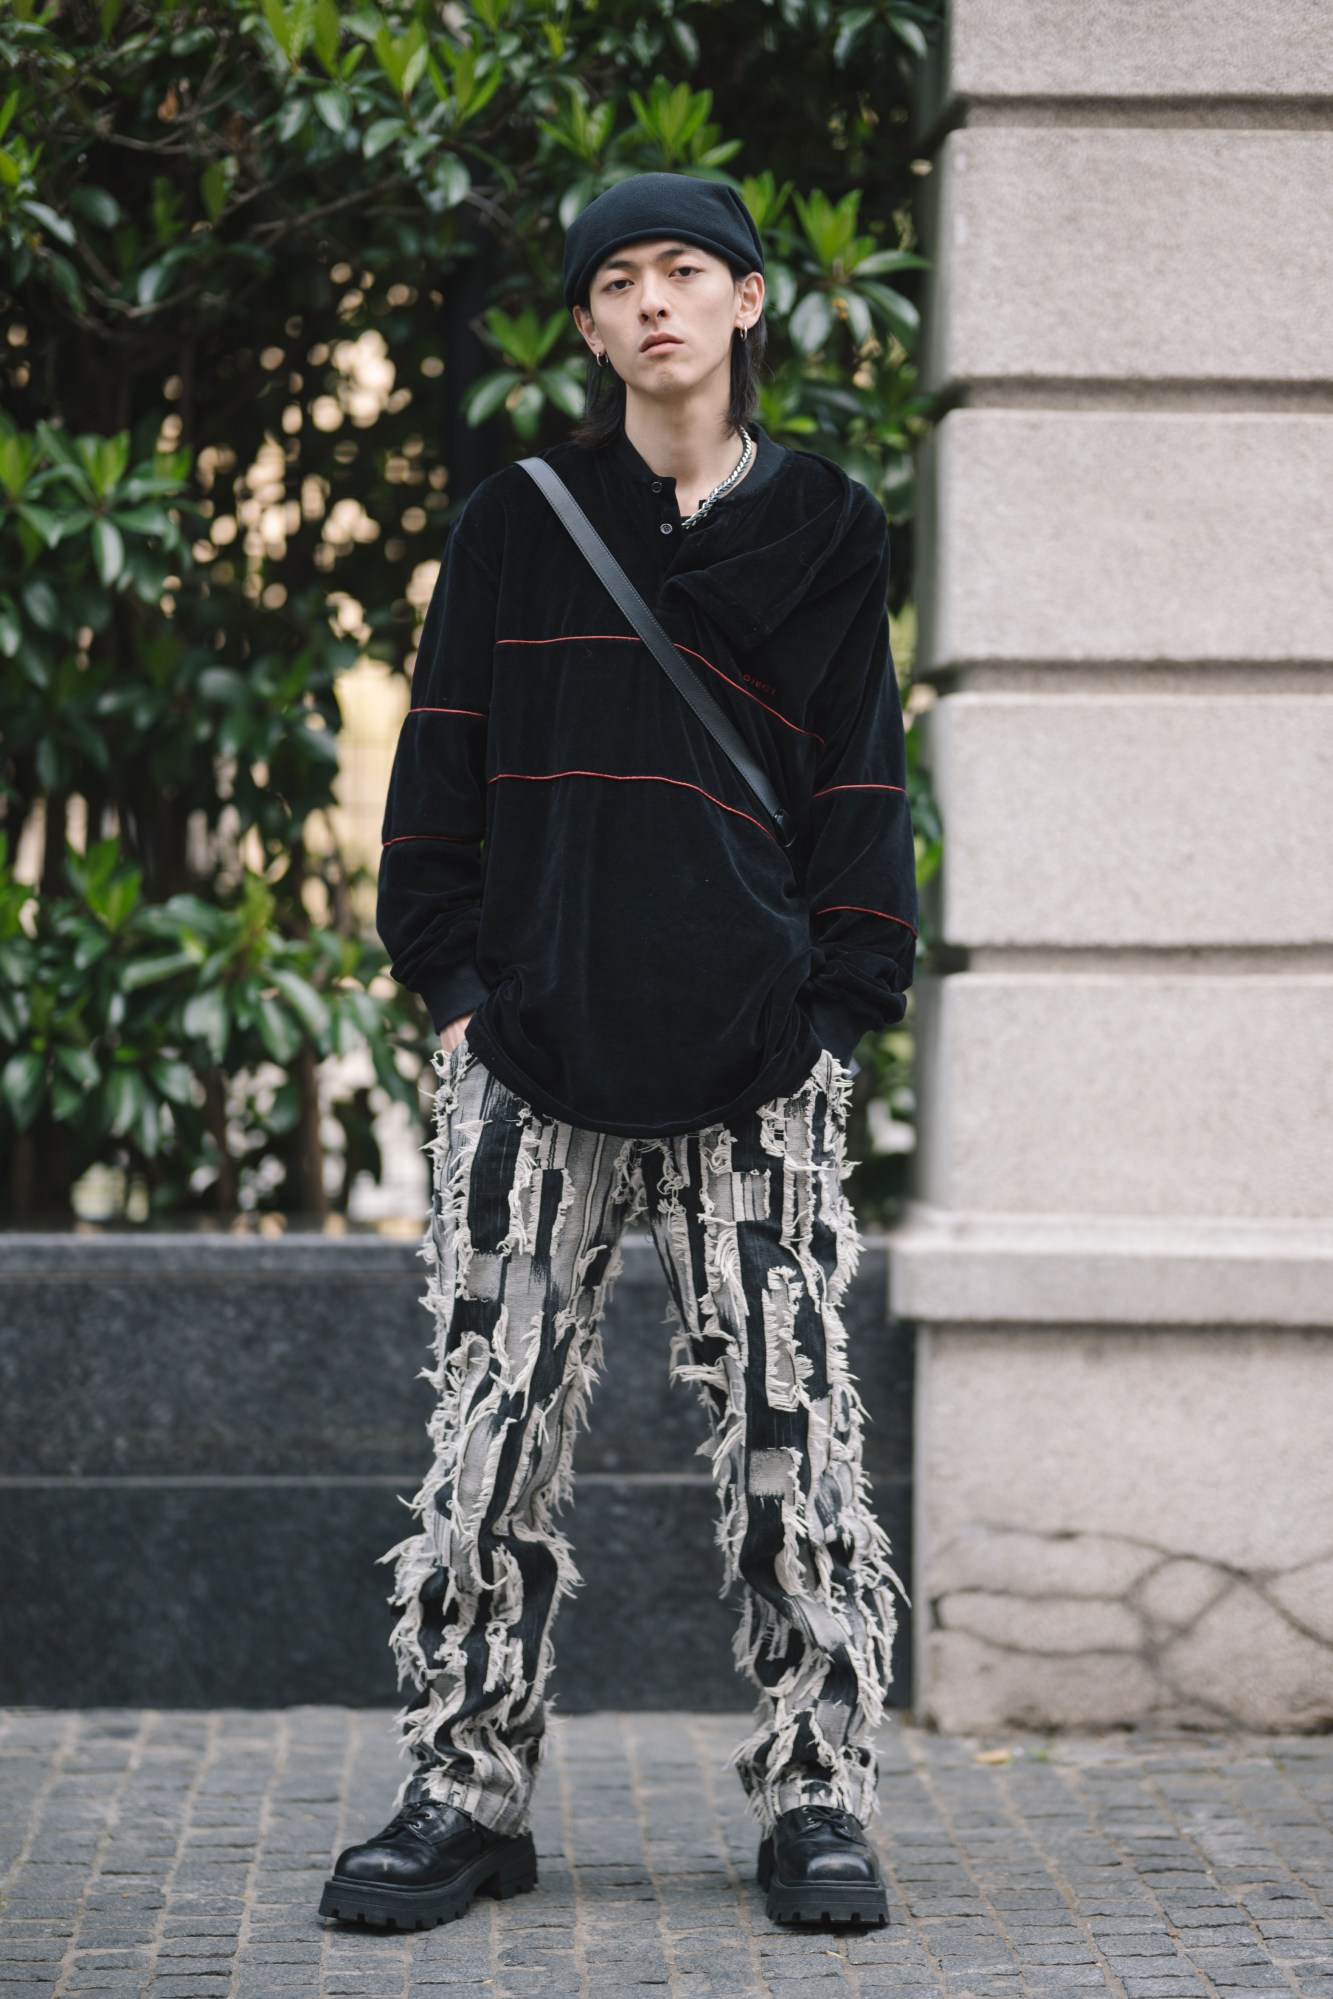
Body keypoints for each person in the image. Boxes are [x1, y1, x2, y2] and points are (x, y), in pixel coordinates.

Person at [318, 170, 918, 1934]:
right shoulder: (520, 519)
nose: (654, 303)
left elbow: (859, 784)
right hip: (530, 1062)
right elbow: (436, 777)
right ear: (587, 328)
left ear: (746, 304)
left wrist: (833, 1015)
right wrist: (455, 1004)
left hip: (756, 1060)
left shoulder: (823, 520)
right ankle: (464, 1787)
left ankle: (817, 1798)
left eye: (687, 273)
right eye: (619, 281)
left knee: (794, 1436)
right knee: (489, 1438)